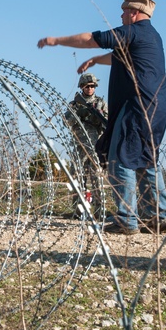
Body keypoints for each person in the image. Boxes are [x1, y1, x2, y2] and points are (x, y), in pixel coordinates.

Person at [37, 0, 166, 235]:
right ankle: (162, 215)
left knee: (120, 160)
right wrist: (95, 61)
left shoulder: (132, 31)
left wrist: (56, 40)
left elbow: (92, 39)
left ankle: (126, 219)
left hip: (136, 107)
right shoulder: (152, 36)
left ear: (134, 13)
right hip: (156, 108)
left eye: (124, 12)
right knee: (146, 160)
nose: (121, 16)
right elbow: (118, 57)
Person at [64, 72, 108, 219]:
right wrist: (79, 114)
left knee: (97, 179)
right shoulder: (75, 104)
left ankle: (99, 211)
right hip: (79, 146)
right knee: (77, 178)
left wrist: (98, 117)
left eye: (92, 86)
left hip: (96, 147)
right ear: (82, 87)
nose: (90, 89)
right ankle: (78, 210)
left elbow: (108, 122)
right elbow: (67, 121)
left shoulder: (100, 103)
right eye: (87, 86)